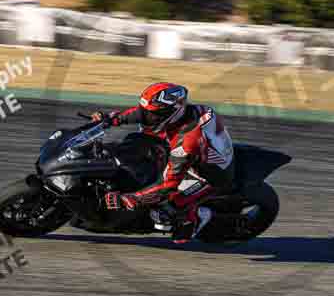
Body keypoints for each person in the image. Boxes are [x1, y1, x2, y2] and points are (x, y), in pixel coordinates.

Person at [91, 82, 235, 243]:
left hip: (207, 173)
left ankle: (197, 218)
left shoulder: (187, 141)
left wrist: (133, 198)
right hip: (195, 150)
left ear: (172, 112)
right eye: (146, 111)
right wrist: (113, 119)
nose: (146, 117)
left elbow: (169, 184)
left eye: (152, 115)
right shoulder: (181, 113)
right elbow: (141, 113)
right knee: (135, 140)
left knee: (172, 205)